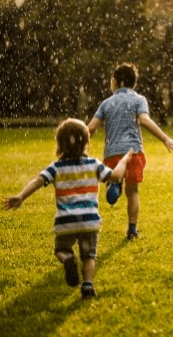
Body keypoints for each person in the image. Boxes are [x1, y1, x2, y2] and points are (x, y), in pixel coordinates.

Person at [4, 118, 132, 300]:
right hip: (89, 221)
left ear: (59, 144)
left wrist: (21, 196)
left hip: (66, 222)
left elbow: (38, 181)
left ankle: (67, 258)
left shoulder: (56, 168)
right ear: (87, 142)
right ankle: (87, 285)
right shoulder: (94, 165)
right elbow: (116, 175)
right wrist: (125, 160)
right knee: (89, 256)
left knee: (61, 249)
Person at [88, 63, 173, 240]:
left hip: (112, 153)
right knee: (133, 192)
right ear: (133, 83)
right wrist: (165, 138)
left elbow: (91, 127)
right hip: (133, 152)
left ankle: (114, 183)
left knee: (115, 177)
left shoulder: (106, 103)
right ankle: (132, 229)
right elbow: (145, 121)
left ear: (115, 81)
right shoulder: (139, 99)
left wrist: (77, 146)